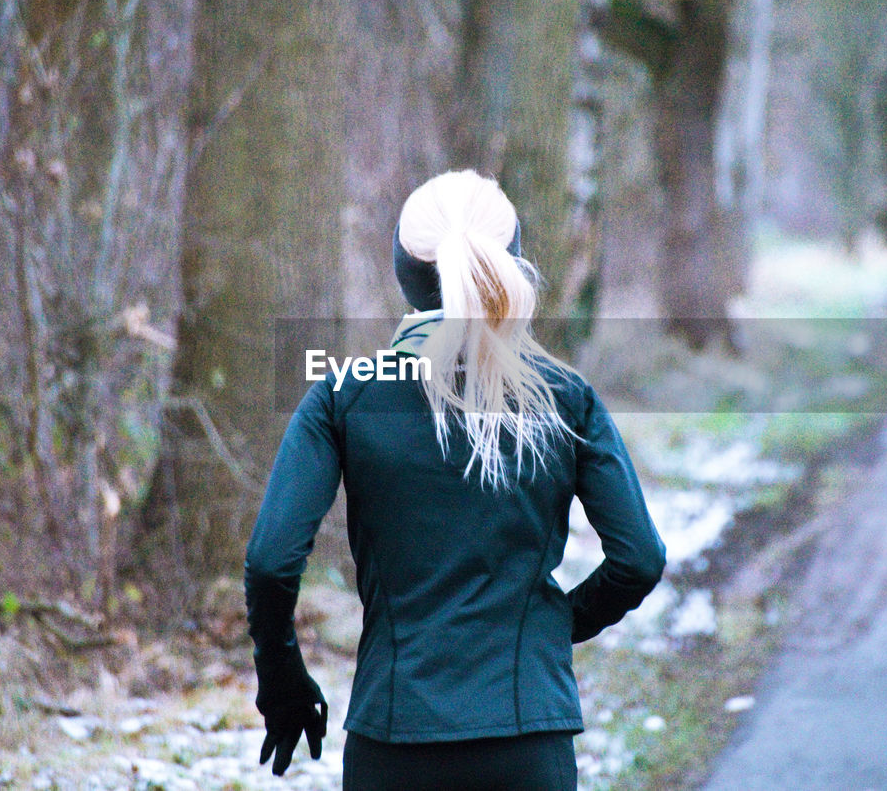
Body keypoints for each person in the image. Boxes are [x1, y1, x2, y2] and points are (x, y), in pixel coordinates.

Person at [244, 170, 666, 790]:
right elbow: (640, 559)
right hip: (530, 739)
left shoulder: (343, 395)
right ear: (511, 260)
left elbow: (272, 561)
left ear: (403, 273)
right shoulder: (566, 397)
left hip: (395, 737)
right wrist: (550, 627)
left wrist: (280, 679)